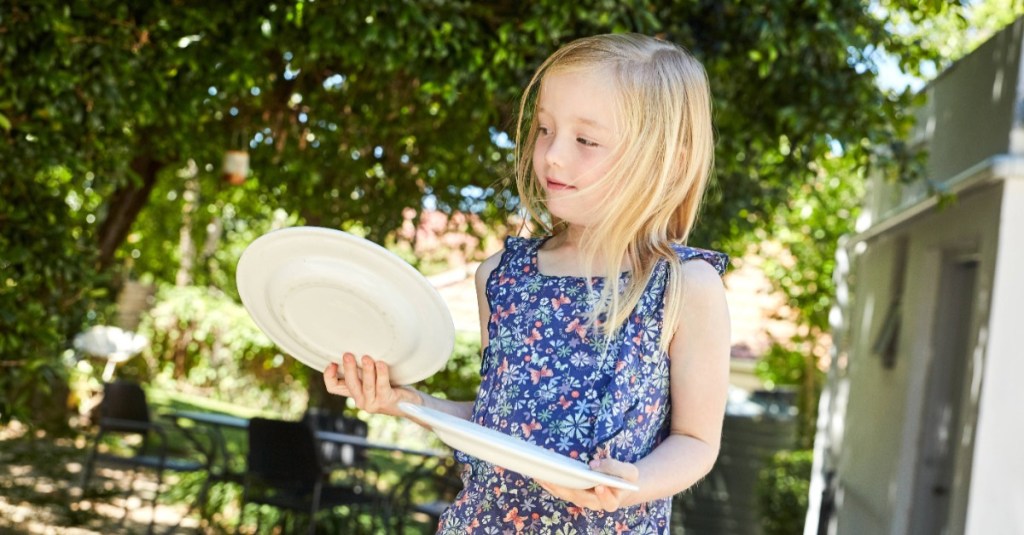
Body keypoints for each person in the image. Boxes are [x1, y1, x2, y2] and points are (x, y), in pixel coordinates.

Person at [324, 32, 731, 534]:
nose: (553, 155)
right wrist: (405, 402)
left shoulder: (684, 287)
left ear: (664, 155)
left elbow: (696, 442)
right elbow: (500, 420)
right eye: (543, 129)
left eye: (585, 140)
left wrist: (631, 483)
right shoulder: (501, 276)